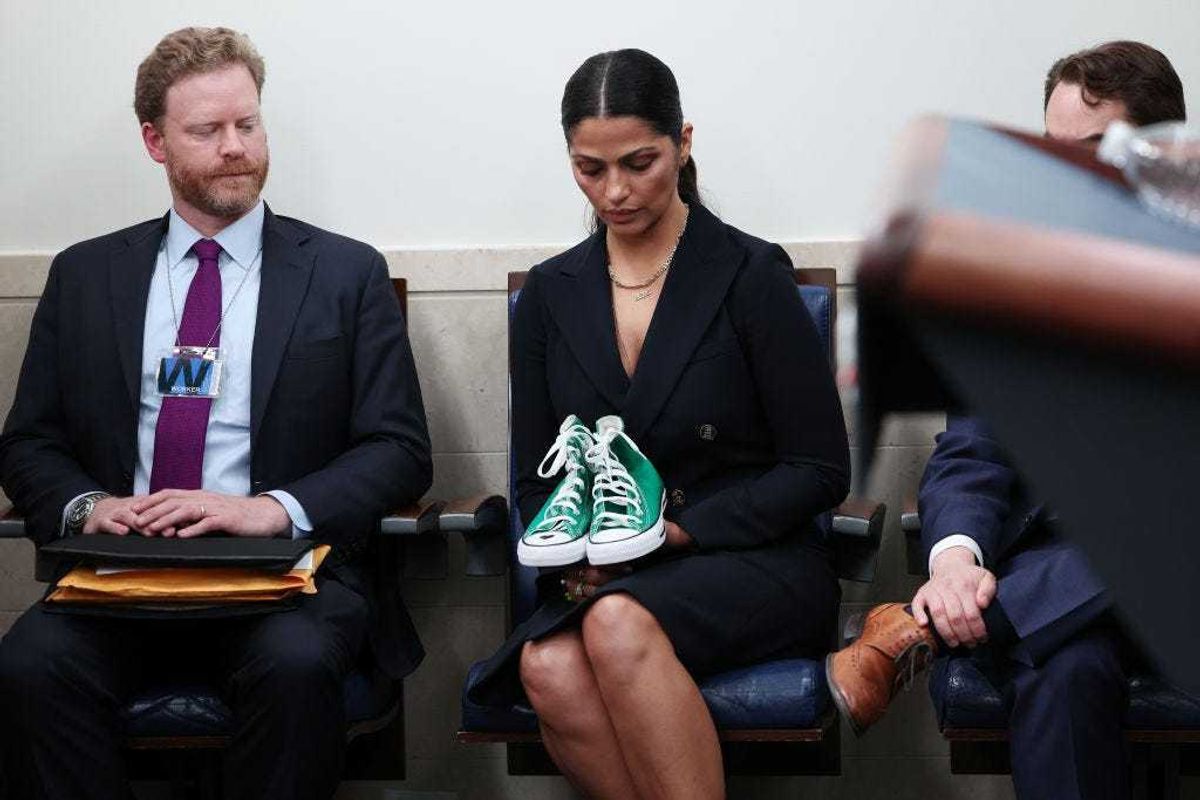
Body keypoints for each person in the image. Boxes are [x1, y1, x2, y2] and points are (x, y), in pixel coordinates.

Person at [0, 27, 431, 800]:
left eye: (248, 123)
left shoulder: (343, 273)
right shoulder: (85, 275)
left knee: (294, 666)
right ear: (155, 142)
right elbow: (31, 441)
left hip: (284, 582)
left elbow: (398, 448)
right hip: (120, 580)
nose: (236, 148)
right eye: (207, 131)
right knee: (28, 664)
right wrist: (92, 506)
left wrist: (273, 509)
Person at [467, 49, 850, 800]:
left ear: (684, 142)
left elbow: (818, 469)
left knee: (612, 627)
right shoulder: (550, 296)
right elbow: (533, 480)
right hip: (603, 571)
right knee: (546, 664)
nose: (614, 191)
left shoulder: (748, 273)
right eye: (589, 168)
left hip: (751, 558)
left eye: (640, 162)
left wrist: (672, 534)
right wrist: (573, 556)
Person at [826, 40, 1186, 800]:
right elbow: (972, 450)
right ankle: (979, 614)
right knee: (1063, 669)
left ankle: (915, 632)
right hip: (1074, 600)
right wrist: (956, 559)